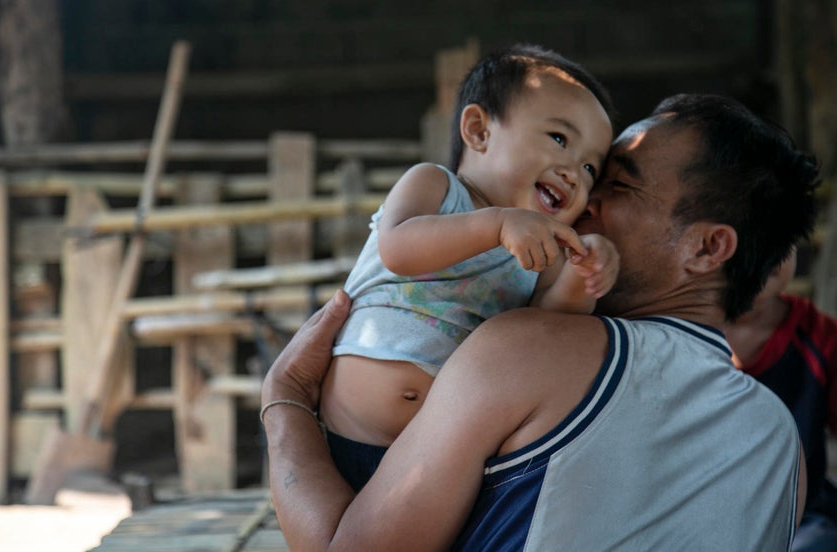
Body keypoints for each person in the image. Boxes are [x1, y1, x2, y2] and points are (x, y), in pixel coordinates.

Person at [260, 93, 819, 550]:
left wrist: (284, 403)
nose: (580, 202)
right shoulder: (780, 447)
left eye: (615, 186)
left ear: (706, 248)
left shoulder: (527, 348)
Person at [321, 44, 618, 490]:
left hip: (439, 462)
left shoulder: (544, 254)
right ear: (478, 131)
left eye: (591, 167)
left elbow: (550, 324)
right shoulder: (436, 187)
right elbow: (398, 248)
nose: (575, 173)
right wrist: (496, 224)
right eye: (559, 139)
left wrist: (585, 270)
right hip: (347, 433)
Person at [724, 247, 837, 551]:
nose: (774, 245)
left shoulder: (820, 337)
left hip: (800, 520)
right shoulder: (667, 331)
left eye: (786, 231)